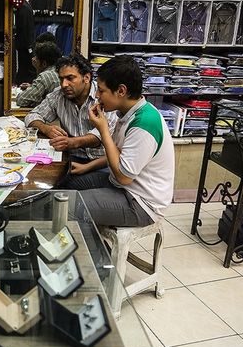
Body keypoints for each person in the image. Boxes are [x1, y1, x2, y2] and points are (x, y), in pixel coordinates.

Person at [63, 55, 175, 227]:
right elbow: (118, 153)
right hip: (121, 184)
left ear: (121, 91)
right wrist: (88, 167)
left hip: (140, 202)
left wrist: (103, 130)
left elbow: (124, 176)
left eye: (101, 91)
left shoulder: (144, 123)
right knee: (69, 184)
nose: (97, 95)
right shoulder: (126, 113)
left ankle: (83, 243)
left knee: (67, 207)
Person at [24, 53, 117, 180]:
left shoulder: (102, 95)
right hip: (71, 158)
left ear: (86, 78)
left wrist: (72, 142)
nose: (64, 84)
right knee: (36, 176)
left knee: (63, 186)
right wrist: (46, 128)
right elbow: (31, 116)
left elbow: (101, 135)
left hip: (102, 162)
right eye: (61, 79)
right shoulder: (58, 95)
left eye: (70, 78)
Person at [16, 41, 62, 108]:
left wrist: (38, 69)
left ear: (44, 64)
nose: (33, 59)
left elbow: (21, 100)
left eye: (36, 57)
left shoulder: (45, 76)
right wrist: (32, 87)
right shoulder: (60, 70)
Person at [14, 0, 36, 84]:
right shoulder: (24, 7)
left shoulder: (25, 5)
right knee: (27, 68)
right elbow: (25, 28)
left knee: (25, 68)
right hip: (25, 45)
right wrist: (29, 47)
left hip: (25, 44)